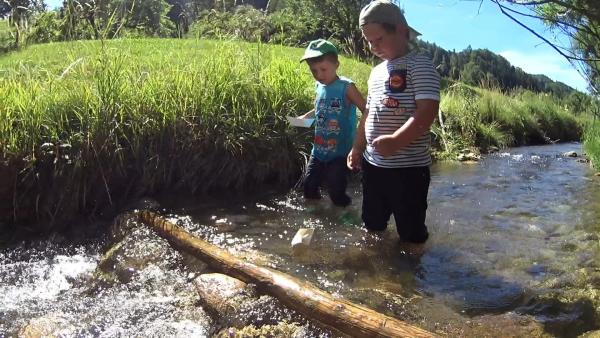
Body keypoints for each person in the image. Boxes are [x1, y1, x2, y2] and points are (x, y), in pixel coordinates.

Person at [347, 0, 441, 243]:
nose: (373, 47)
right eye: (369, 41)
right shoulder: (376, 72)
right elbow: (368, 113)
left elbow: (427, 112)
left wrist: (396, 141)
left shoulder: (420, 65)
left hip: (408, 171)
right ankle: (376, 269)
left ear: (400, 30)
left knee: (411, 233)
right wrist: (357, 147)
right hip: (374, 166)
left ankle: (409, 276)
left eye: (378, 39)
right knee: (372, 224)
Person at [298, 39, 366, 207]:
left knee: (336, 191)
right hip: (319, 150)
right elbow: (319, 109)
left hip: (340, 152)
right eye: (313, 71)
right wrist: (304, 118)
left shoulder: (346, 87)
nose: (319, 75)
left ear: (336, 64)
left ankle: (345, 215)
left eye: (323, 69)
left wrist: (360, 139)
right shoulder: (318, 86)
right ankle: (315, 215)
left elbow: (366, 109)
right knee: (309, 186)